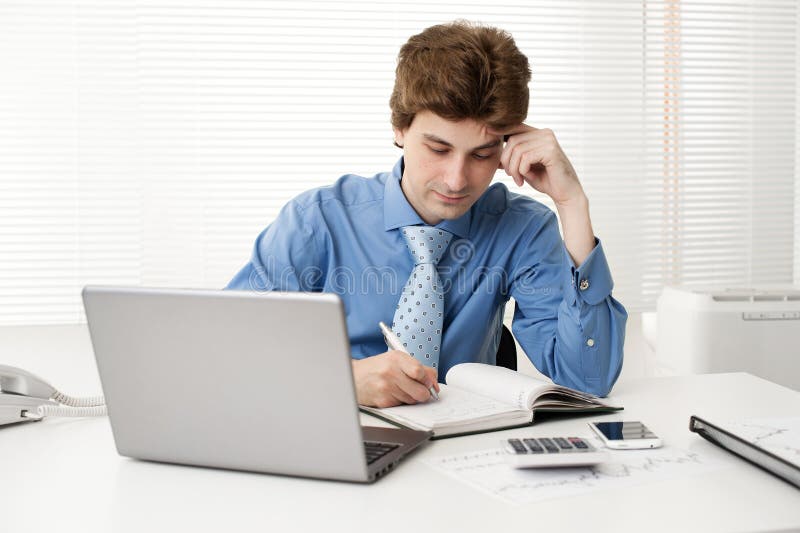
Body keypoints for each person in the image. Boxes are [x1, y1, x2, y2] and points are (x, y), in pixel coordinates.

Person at [226, 20, 627, 408]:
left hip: (468, 450)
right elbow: (229, 350)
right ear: (400, 128)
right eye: (438, 149)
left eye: (482, 154)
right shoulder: (316, 222)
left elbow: (589, 380)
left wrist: (572, 205)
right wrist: (343, 378)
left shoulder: (521, 230)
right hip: (334, 431)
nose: (456, 180)